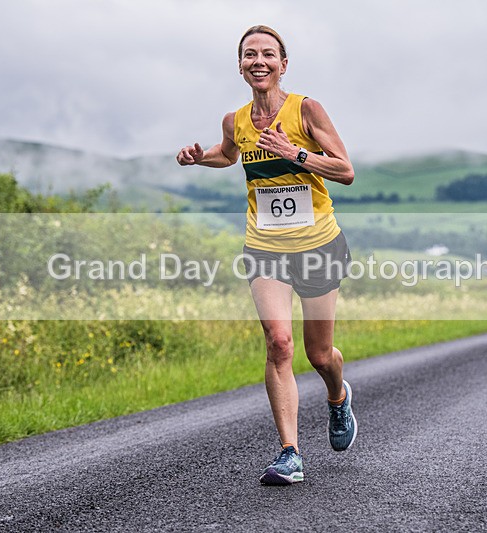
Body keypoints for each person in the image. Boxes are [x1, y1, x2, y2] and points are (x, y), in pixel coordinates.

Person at [176, 25, 357, 485]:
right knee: (278, 343)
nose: (259, 61)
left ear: (283, 64)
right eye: (250, 55)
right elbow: (228, 153)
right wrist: (201, 158)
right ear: (240, 65)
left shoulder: (306, 109)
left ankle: (338, 398)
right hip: (265, 247)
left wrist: (296, 154)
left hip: (317, 244)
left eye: (268, 54)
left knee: (319, 356)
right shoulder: (235, 120)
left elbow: (345, 170)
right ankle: (290, 454)